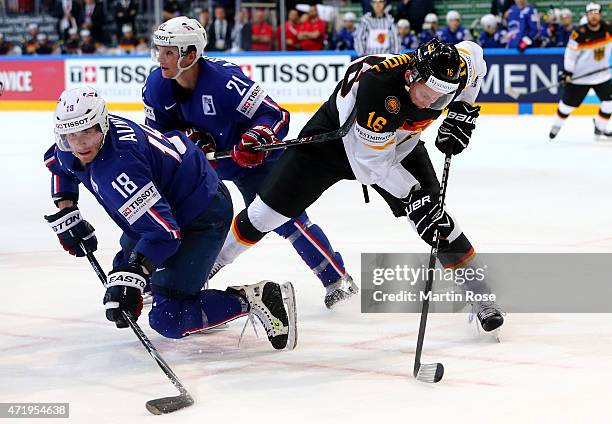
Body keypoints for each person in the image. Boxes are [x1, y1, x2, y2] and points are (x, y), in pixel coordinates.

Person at [214, 38, 505, 332]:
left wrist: (462, 112)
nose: (431, 103)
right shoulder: (379, 89)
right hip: (332, 145)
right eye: (427, 94)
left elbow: (475, 58)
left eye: (441, 98)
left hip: (399, 144)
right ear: (411, 76)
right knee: (265, 214)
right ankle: (211, 264)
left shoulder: (457, 69)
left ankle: (480, 293)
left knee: (435, 219)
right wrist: (414, 196)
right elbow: (371, 168)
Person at [43, 86, 297, 349]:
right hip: (165, 206)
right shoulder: (75, 145)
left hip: (202, 211)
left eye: (87, 131)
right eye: (70, 134)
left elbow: (164, 234)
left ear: (102, 124)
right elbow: (57, 163)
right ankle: (188, 293)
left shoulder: (120, 169)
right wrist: (66, 209)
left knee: (169, 317)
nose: (79, 143)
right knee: (130, 273)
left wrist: (135, 274)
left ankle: (255, 298)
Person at [142, 17, 357, 308]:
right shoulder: (156, 86)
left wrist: (257, 137)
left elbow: (275, 115)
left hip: (254, 164)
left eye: (169, 52)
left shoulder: (224, 82)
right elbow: (158, 138)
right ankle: (179, 278)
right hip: (205, 169)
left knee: (287, 221)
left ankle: (337, 279)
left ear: (190, 54)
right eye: (159, 50)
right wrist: (186, 139)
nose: (160, 58)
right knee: (184, 219)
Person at [549, 2, 612, 140]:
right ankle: (557, 125)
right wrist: (568, 72)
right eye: (591, 14)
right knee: (566, 106)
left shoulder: (609, 29)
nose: (593, 16)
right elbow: (570, 55)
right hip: (580, 77)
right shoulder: (579, 33)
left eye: (596, 13)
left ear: (600, 15)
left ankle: (600, 128)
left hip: (602, 75)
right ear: (586, 15)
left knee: (609, 104)